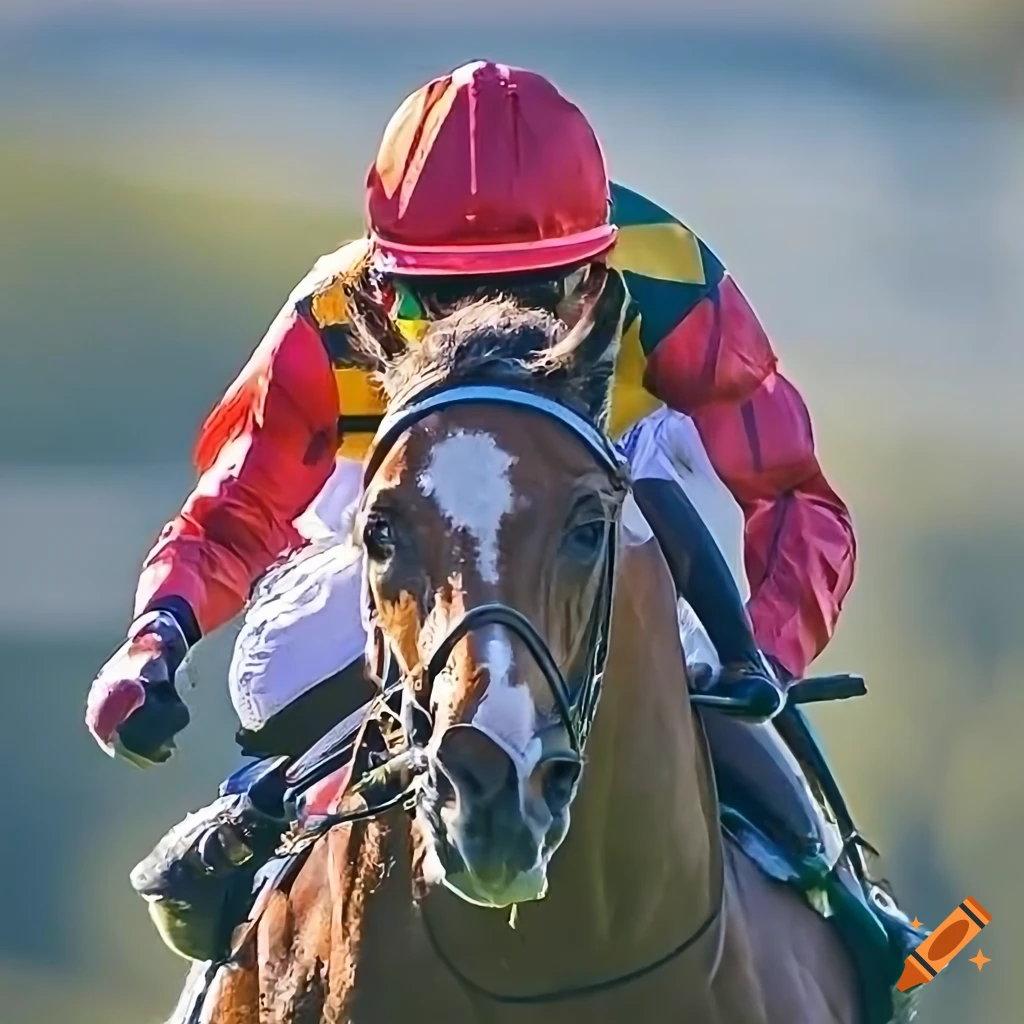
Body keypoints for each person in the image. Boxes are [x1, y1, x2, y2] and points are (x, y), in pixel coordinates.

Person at [84, 61, 856, 960]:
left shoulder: (669, 276)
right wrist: (155, 639)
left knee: (663, 529)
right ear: (384, 290)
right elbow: (235, 511)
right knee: (276, 674)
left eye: (535, 300)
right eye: (442, 302)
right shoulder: (328, 318)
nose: (486, 332)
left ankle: (846, 899)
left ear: (597, 278)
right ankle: (267, 831)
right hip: (410, 504)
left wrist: (764, 653)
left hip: (613, 488)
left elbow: (794, 495)